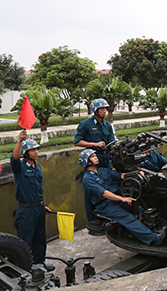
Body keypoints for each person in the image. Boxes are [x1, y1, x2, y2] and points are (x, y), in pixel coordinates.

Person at [78, 149, 166, 246]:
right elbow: (104, 193)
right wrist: (122, 199)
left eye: (95, 155)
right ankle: (153, 239)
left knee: (141, 211)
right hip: (105, 205)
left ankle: (164, 224)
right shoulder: (87, 179)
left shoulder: (102, 170)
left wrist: (136, 173)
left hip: (116, 200)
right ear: (86, 162)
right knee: (128, 218)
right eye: (92, 156)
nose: (96, 157)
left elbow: (120, 176)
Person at [11, 130, 54, 271]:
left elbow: (39, 188)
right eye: (32, 150)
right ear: (25, 152)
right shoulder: (20, 167)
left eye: (36, 149)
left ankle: (40, 264)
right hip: (26, 210)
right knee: (25, 242)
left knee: (40, 239)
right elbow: (14, 158)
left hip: (39, 208)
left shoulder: (37, 166)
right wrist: (20, 140)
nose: (36, 152)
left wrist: (44, 205)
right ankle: (25, 270)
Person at [74, 98, 116, 233]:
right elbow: (77, 142)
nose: (104, 111)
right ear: (95, 110)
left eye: (105, 108)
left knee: (107, 186)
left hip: (105, 159)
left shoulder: (107, 125)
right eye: (102, 109)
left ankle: (106, 214)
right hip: (91, 159)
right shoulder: (85, 124)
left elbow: (112, 142)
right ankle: (92, 219)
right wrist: (94, 144)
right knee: (90, 191)